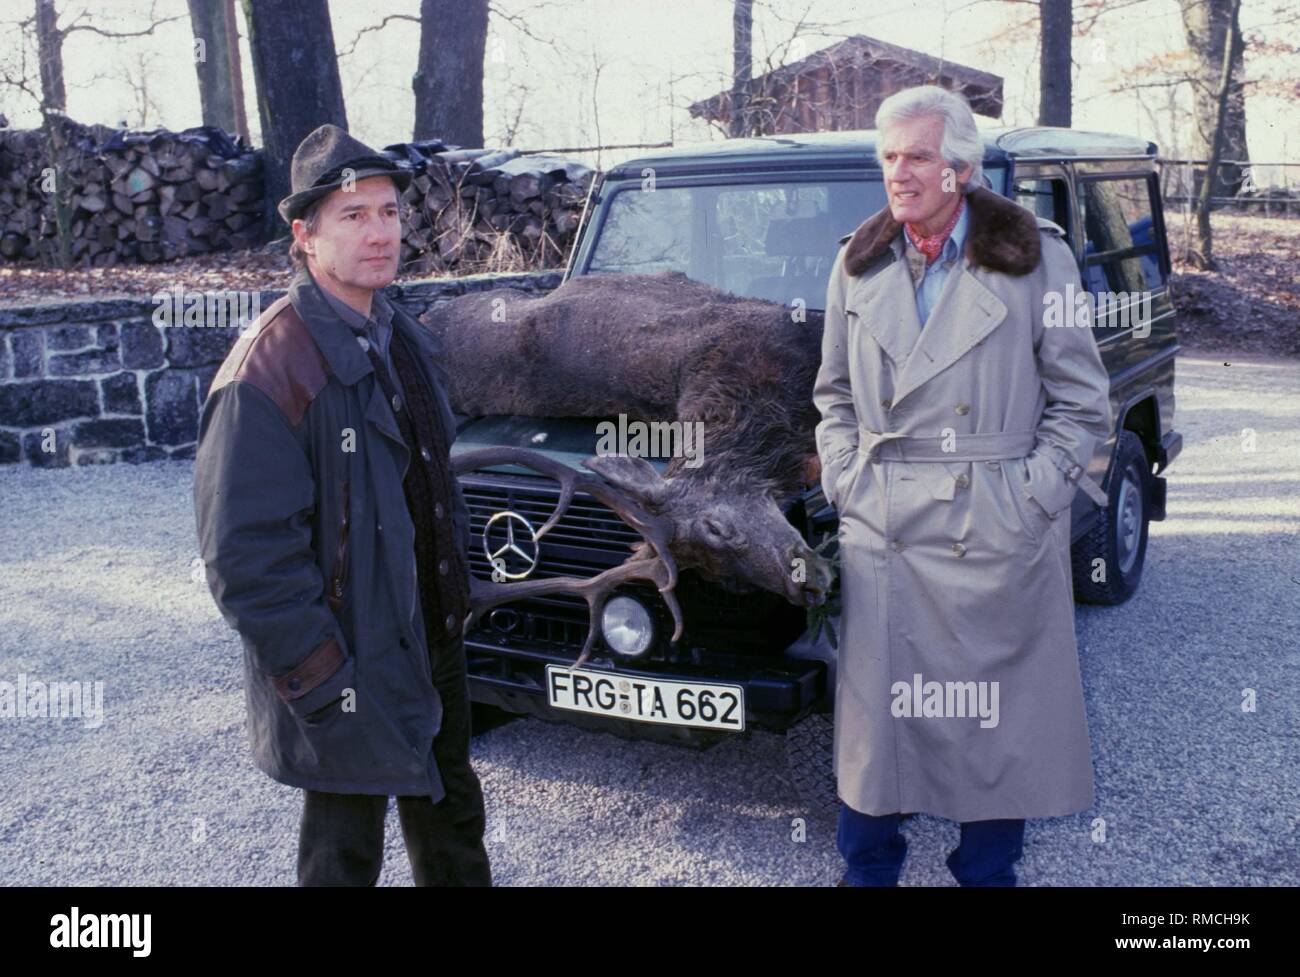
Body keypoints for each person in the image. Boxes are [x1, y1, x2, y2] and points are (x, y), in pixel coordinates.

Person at [813, 86, 1113, 886]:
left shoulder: (1035, 257)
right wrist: (846, 478)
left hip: (991, 533)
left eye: (917, 156)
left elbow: (1085, 408)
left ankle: (987, 876)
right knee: (878, 745)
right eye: (887, 157)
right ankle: (868, 875)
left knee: (992, 736)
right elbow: (833, 397)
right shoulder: (857, 260)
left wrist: (1028, 503)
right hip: (886, 536)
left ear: (962, 169)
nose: (898, 174)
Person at [193, 124, 491, 886]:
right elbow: (245, 558)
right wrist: (322, 675)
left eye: (389, 213)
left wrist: (456, 608)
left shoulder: (402, 337)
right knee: (341, 859)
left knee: (454, 836)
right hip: (345, 663)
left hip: (430, 645)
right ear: (305, 235)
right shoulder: (268, 367)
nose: (380, 233)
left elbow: (432, 487)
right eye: (354, 216)